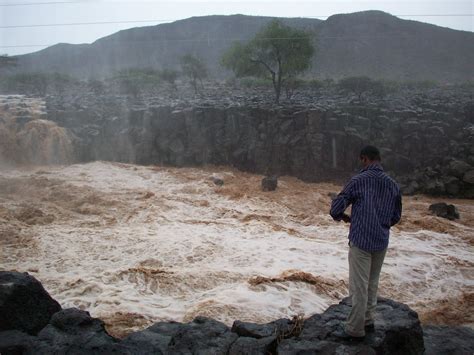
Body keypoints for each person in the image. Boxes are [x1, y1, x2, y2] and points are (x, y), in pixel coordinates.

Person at [329, 145, 402, 340]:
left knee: (359, 286)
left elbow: (337, 206)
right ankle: (368, 320)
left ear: (364, 159)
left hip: (361, 240)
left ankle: (355, 329)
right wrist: (381, 225)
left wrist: (343, 217)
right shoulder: (392, 184)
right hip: (381, 240)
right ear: (379, 159)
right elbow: (396, 216)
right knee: (372, 282)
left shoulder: (359, 180)